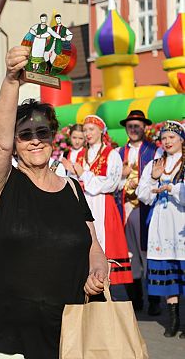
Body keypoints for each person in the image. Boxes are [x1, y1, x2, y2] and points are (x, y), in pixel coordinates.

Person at [0, 46, 107, 359]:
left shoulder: (74, 189)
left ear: (54, 136)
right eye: (25, 135)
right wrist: (12, 81)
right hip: (16, 337)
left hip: (72, 331)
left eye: (42, 131)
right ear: (15, 144)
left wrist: (97, 273)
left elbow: (94, 248)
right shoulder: (4, 186)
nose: (35, 139)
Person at [72, 115, 133, 286]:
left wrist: (84, 175)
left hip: (103, 204)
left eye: (91, 129)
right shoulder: (80, 155)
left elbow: (111, 183)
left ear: (101, 130)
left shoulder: (111, 154)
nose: (87, 133)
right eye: (85, 130)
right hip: (84, 202)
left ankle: (107, 288)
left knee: (105, 243)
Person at [137, 120, 185, 338]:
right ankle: (173, 319)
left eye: (172, 137)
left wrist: (172, 188)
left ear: (181, 140)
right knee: (168, 274)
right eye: (164, 138)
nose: (167, 141)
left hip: (181, 222)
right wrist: (155, 179)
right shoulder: (156, 163)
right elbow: (143, 194)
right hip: (162, 223)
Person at [115, 110, 160, 314]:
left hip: (146, 208)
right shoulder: (118, 153)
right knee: (129, 253)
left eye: (137, 126)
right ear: (126, 128)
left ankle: (155, 301)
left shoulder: (154, 151)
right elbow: (112, 182)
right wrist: (123, 178)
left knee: (148, 253)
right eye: (130, 126)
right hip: (124, 208)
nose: (134, 129)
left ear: (144, 128)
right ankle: (135, 300)